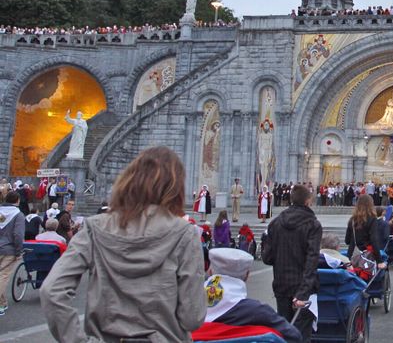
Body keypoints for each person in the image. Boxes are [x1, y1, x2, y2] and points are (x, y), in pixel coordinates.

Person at [41, 146, 206, 341]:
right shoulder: (185, 234)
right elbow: (192, 318)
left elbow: (52, 290)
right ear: (175, 187)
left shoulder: (94, 227)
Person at [197, 248, 302, 343]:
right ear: (247, 276)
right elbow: (294, 336)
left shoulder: (189, 305)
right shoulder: (259, 312)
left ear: (210, 272)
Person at [261, 185, 322, 342]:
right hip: (303, 288)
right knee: (301, 335)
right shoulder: (313, 224)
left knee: (284, 334)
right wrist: (304, 292)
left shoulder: (275, 223)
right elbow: (312, 260)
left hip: (281, 286)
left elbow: (267, 258)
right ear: (308, 201)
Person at [0, 191, 25, 316]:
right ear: (17, 200)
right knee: (3, 276)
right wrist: (19, 251)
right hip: (8, 249)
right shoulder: (18, 214)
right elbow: (18, 234)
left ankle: (2, 303)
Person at [344, 194, 386, 264]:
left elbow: (347, 241)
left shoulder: (352, 220)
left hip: (353, 255)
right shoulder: (372, 219)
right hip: (367, 256)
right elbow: (374, 240)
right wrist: (379, 261)